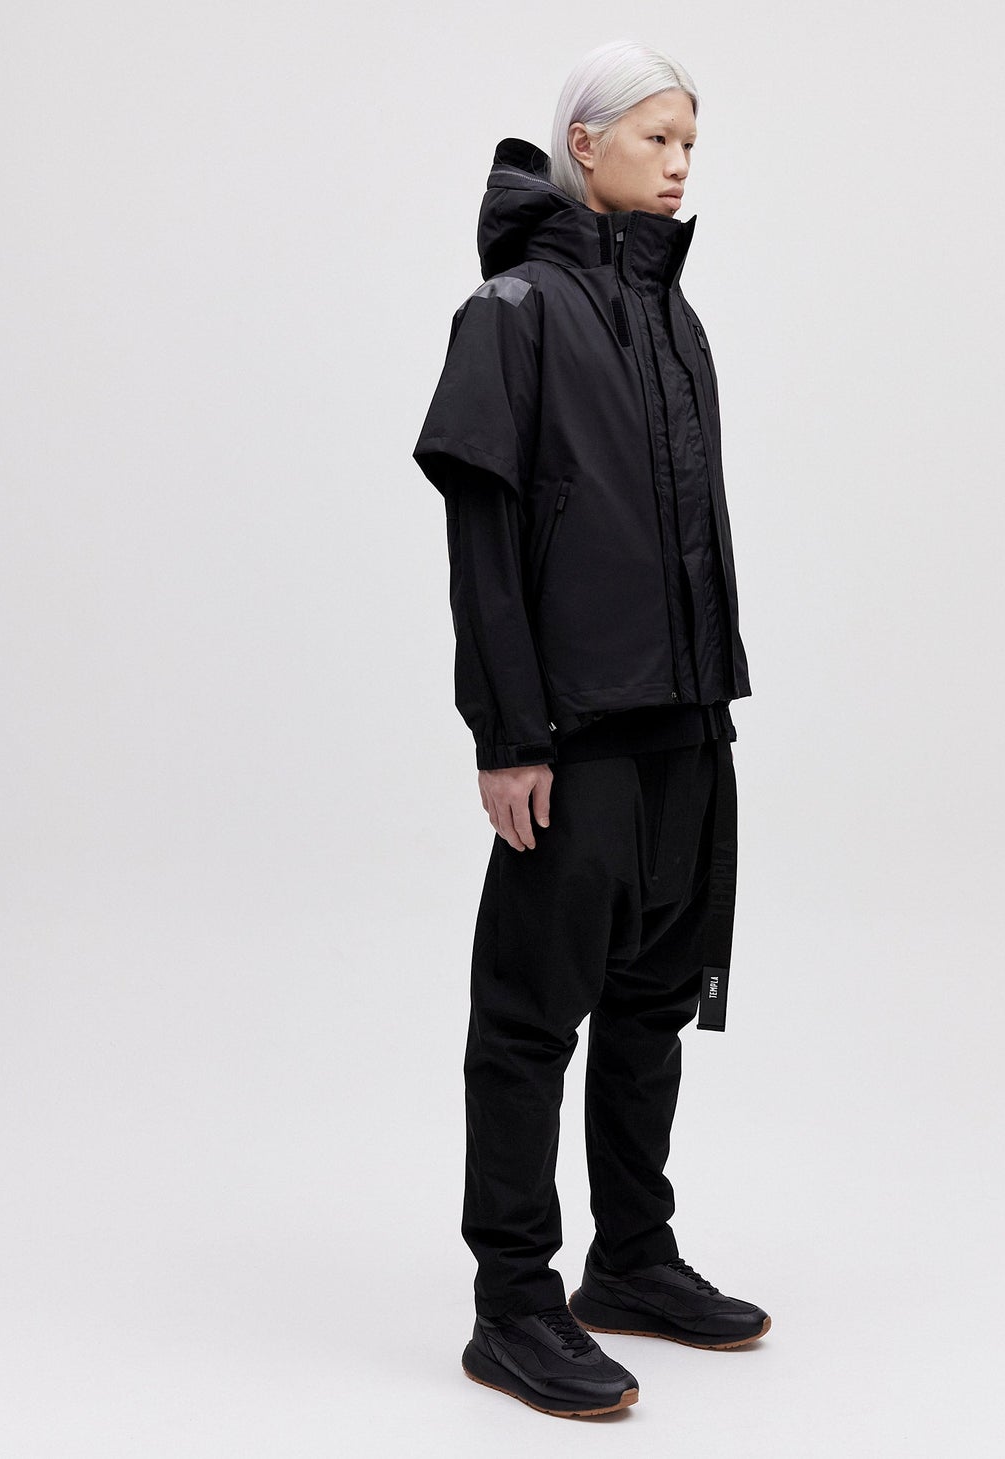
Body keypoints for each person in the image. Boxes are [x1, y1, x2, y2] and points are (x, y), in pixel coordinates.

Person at [412, 39, 770, 1419]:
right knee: (528, 1016)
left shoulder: (673, 315)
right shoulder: (511, 313)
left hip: (685, 718)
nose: (680, 165)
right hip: (572, 726)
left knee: (650, 1001)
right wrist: (509, 734)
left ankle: (632, 1259)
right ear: (584, 144)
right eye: (657, 139)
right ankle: (513, 1304)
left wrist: (708, 701)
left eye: (691, 144)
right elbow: (483, 539)